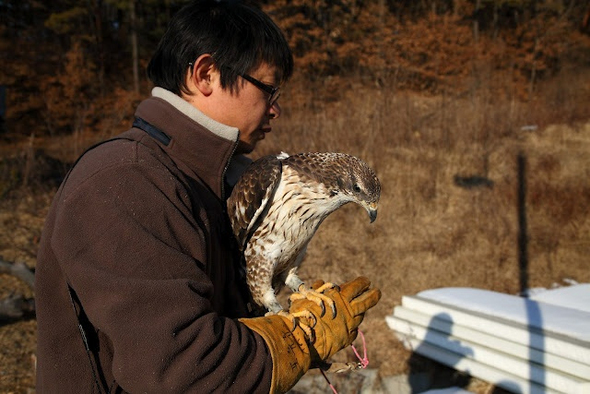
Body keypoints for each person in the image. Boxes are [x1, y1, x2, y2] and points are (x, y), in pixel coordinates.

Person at [35, 1, 381, 392]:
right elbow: (182, 367)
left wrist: (279, 305)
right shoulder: (123, 181)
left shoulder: (214, 177)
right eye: (268, 89)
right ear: (206, 74)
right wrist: (295, 341)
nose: (276, 109)